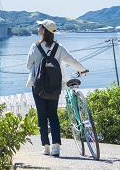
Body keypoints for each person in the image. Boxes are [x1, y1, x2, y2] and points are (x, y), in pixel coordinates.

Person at [26, 19, 88, 157]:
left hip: (39, 86)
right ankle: (56, 147)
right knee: (53, 115)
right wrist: (82, 69)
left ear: (43, 30)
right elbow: (71, 60)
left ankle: (46, 147)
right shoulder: (59, 47)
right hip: (54, 86)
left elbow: (29, 66)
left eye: (39, 26)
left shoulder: (35, 47)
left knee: (42, 115)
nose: (38, 28)